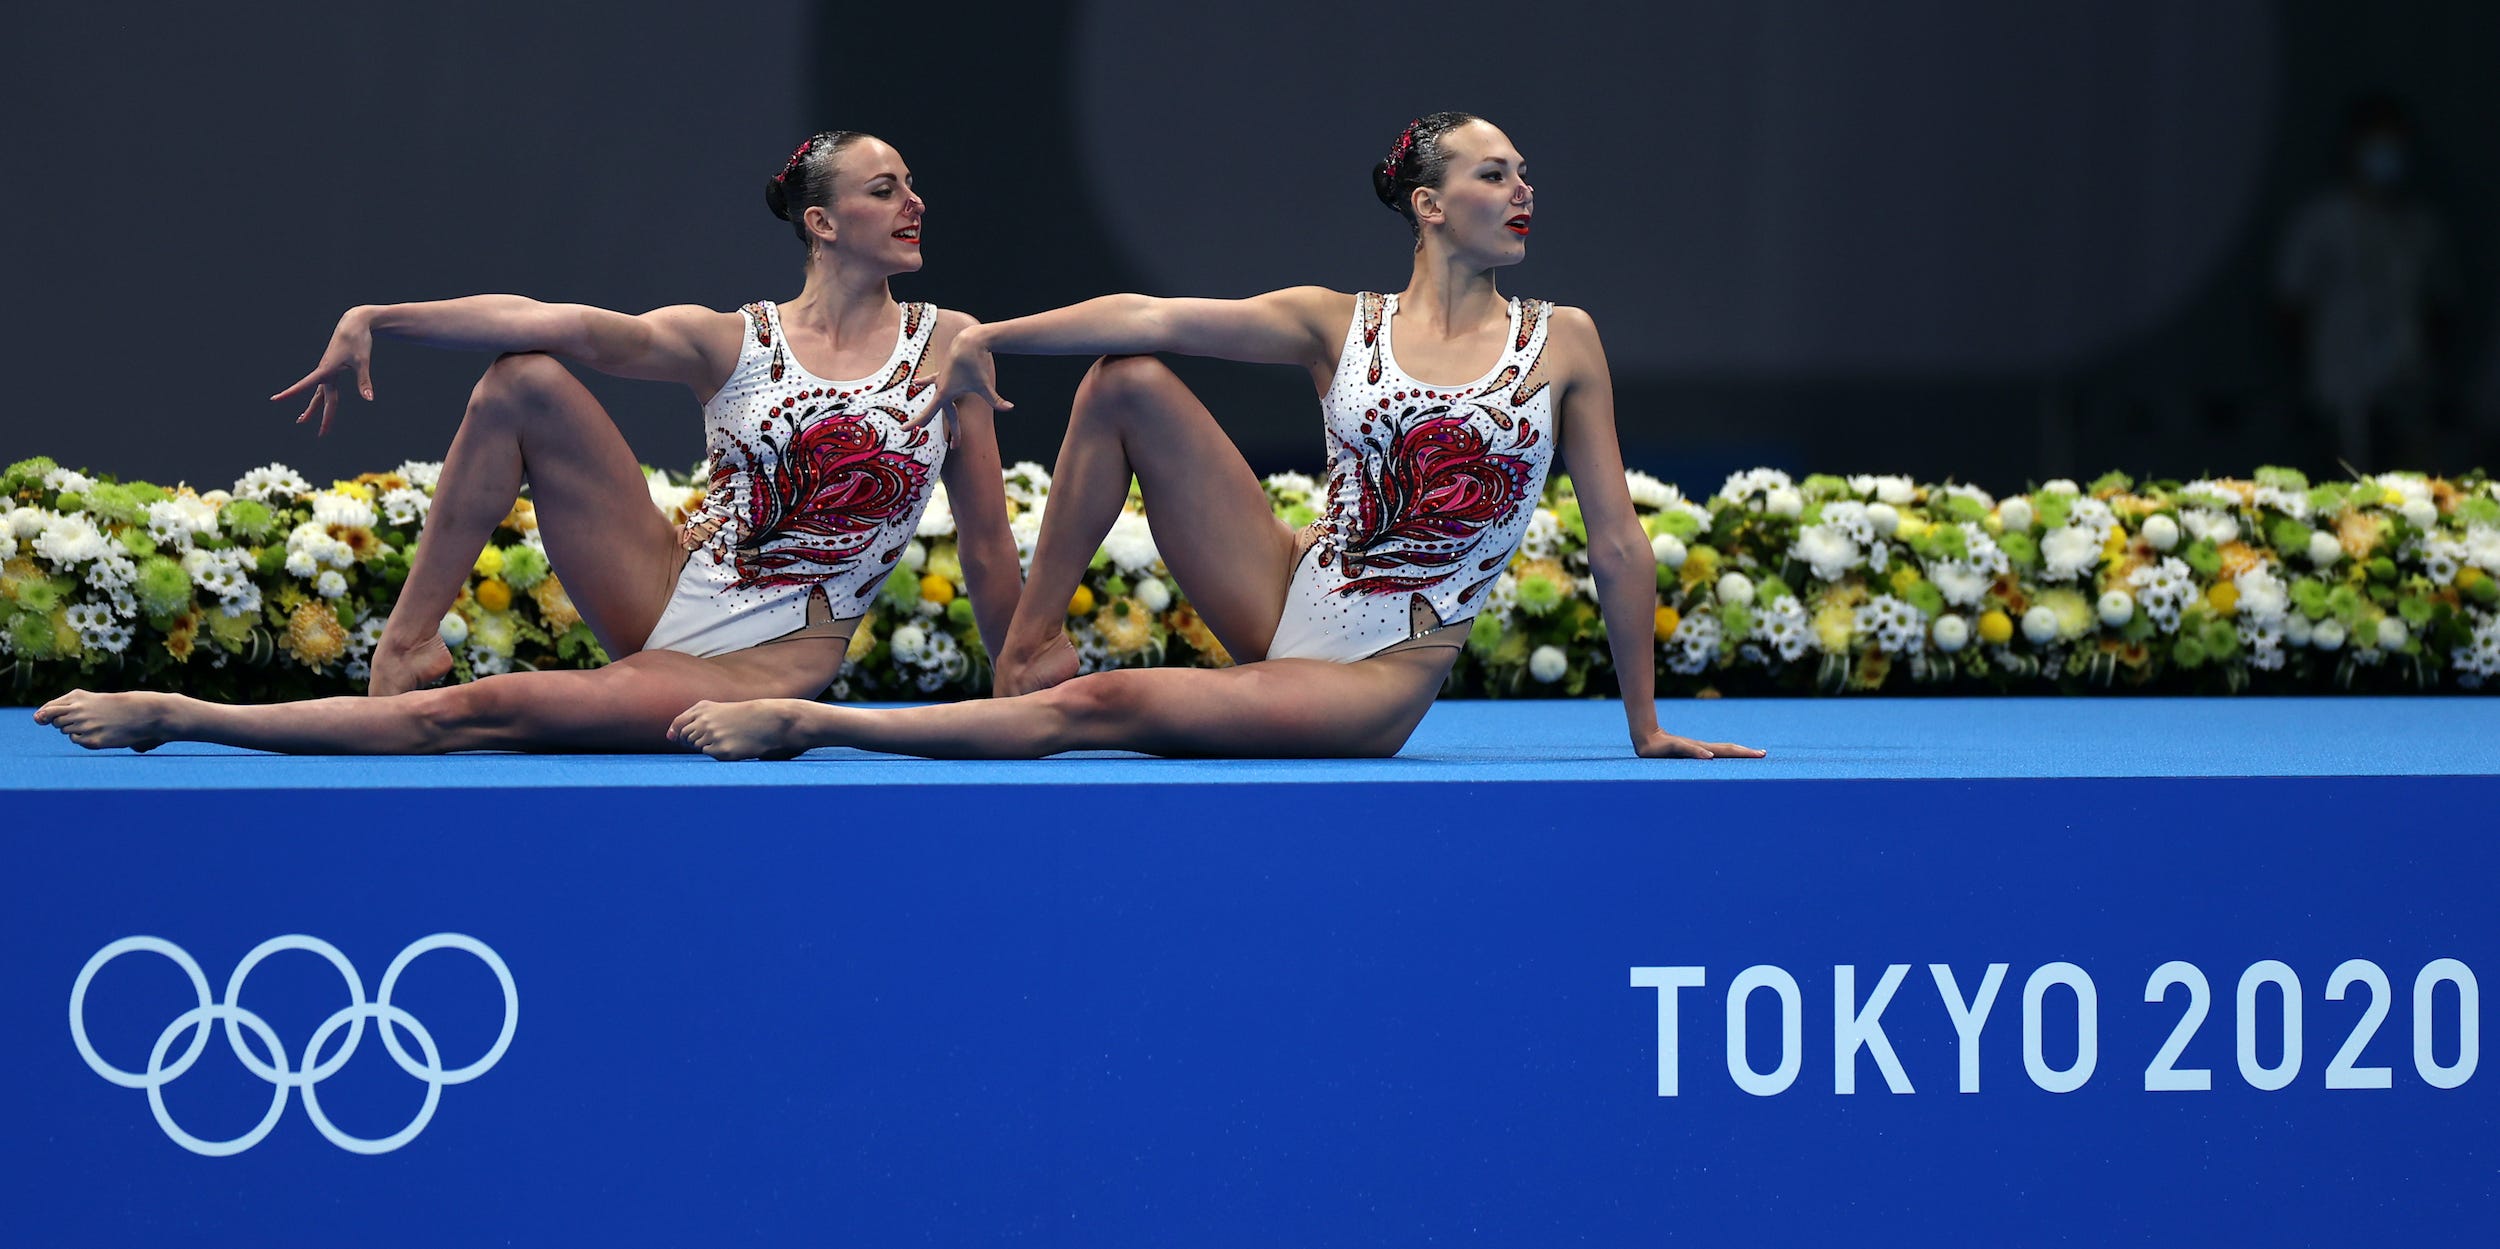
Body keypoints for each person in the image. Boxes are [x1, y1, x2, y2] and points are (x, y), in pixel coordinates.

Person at [670, 113, 1763, 762]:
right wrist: (989, 334)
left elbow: (1617, 542)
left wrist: (1645, 725)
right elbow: (1147, 317)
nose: (1523, 191)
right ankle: (1027, 646)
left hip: (1375, 674)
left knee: (1106, 704)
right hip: (1289, 587)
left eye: (1524, 175)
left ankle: (805, 723)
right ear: (1428, 205)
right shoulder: (1337, 320)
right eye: (1495, 174)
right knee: (1128, 378)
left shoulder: (1561, 339)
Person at [37, 132, 1019, 753]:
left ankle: (172, 712)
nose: (913, 202)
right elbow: (551, 318)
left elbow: (981, 541)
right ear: (822, 221)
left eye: (911, 186)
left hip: (754, 663)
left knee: (477, 717)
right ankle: (407, 644)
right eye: (886, 189)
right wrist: (380, 314)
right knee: (525, 378)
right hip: (663, 577)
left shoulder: (951, 346)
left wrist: (1020, 675)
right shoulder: (735, 338)